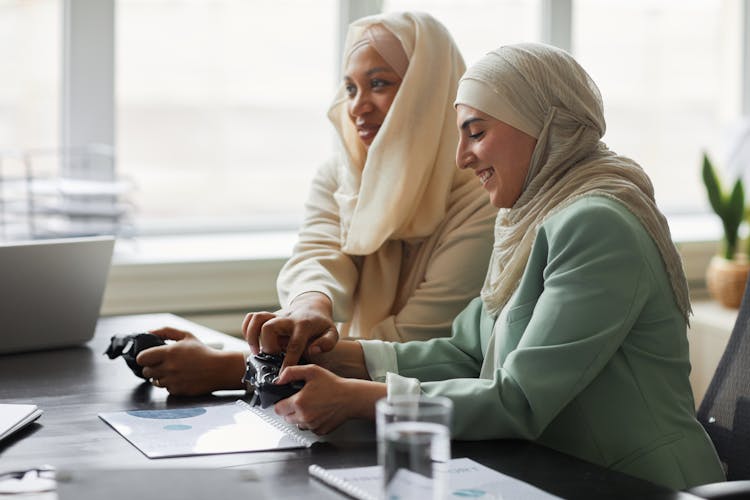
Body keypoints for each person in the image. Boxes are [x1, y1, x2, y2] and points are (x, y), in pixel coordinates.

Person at [268, 43, 726, 490]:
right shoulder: (528, 216)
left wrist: (361, 399)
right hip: (560, 473)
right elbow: (467, 352)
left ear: (541, 125)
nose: (462, 157)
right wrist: (331, 357)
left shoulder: (597, 224)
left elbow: (519, 399)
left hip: (639, 484)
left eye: (477, 132)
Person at [136, 11, 497, 395]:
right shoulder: (341, 176)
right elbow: (319, 252)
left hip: (434, 423)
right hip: (342, 405)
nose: (357, 107)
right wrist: (310, 305)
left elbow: (416, 347)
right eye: (351, 88)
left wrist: (239, 368)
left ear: (429, 91)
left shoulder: (483, 197)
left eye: (378, 83)